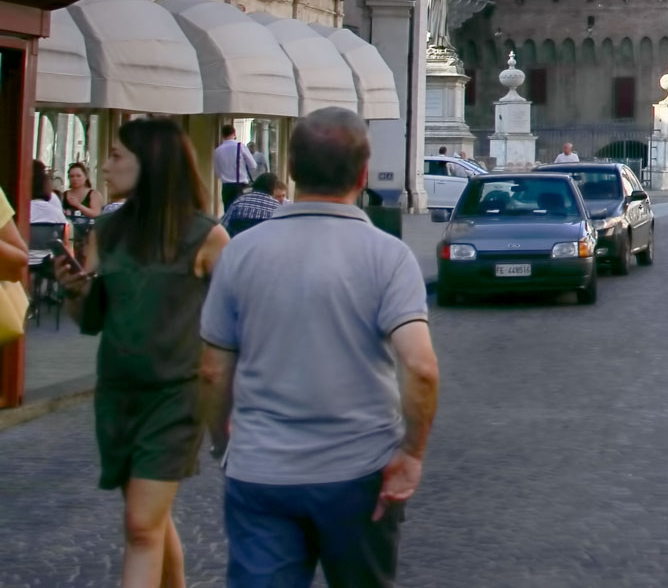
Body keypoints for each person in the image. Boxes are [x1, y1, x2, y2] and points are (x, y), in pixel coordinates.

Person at [199, 107, 438, 588]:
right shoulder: (388, 255)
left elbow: (211, 370)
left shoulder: (241, 252)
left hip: (262, 468)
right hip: (358, 469)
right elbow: (420, 367)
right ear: (363, 173)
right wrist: (411, 452)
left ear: (291, 170)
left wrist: (226, 441)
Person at [52, 117, 229, 588]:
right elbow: (90, 321)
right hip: (117, 395)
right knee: (149, 520)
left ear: (149, 164)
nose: (104, 167)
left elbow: (237, 317)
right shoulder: (107, 232)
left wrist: (230, 392)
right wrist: (73, 291)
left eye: (115, 156)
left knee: (140, 526)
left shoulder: (206, 235)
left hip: (175, 397)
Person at [221, 173, 286, 237]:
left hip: (239, 244)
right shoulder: (277, 208)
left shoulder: (239, 202)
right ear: (273, 189)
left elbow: (223, 227)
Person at [213, 124, 260, 210]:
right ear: (234, 133)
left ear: (222, 135)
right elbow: (253, 165)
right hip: (240, 185)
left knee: (228, 212)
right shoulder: (240, 146)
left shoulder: (218, 150)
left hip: (226, 187)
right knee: (241, 212)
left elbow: (217, 172)